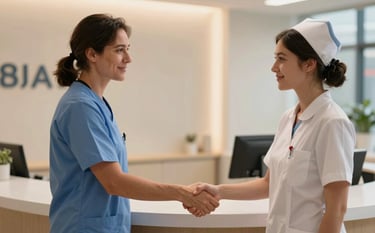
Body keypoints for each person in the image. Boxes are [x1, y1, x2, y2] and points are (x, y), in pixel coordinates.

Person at [49, 13, 219, 233]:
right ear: (92, 54)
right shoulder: (81, 106)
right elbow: (114, 182)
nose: (128, 58)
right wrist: (181, 192)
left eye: (128, 48)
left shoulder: (95, 102)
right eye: (120, 50)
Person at [188, 18, 356, 233]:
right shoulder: (288, 118)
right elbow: (269, 184)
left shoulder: (332, 122)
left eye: (281, 59)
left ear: (309, 64)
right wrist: (218, 190)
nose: (273, 67)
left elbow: (337, 209)